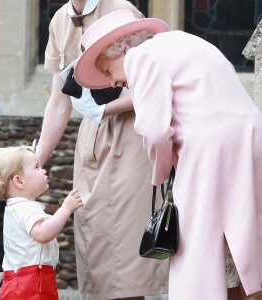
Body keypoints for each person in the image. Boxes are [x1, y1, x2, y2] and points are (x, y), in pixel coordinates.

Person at [74, 9, 262, 300]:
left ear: (123, 48)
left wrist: (161, 172)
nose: (112, 83)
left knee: (202, 249)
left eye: (108, 70)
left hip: (208, 154)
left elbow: (154, 129)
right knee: (244, 241)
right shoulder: (190, 41)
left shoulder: (140, 56)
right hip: (251, 141)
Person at [36, 1, 169, 299]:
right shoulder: (59, 20)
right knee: (96, 249)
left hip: (132, 136)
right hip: (91, 144)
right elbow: (60, 103)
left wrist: (105, 108)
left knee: (128, 254)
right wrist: (34, 161)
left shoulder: (122, 10)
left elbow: (152, 83)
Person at [0, 145, 83, 300]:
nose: (43, 170)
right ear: (19, 181)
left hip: (32, 281)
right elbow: (42, 233)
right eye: (37, 167)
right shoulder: (25, 208)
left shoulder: (17, 207)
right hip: (28, 285)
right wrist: (65, 209)